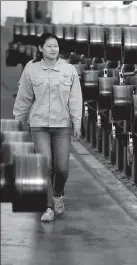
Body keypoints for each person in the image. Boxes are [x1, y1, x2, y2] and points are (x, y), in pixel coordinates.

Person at [13, 32, 83, 222]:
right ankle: (48, 207)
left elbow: (76, 99)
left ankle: (58, 194)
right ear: (41, 48)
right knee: (46, 166)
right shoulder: (32, 69)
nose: (54, 49)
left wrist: (77, 122)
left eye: (56, 46)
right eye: (50, 46)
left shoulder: (69, 70)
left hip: (62, 125)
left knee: (62, 168)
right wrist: (18, 120)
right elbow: (24, 98)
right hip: (39, 125)